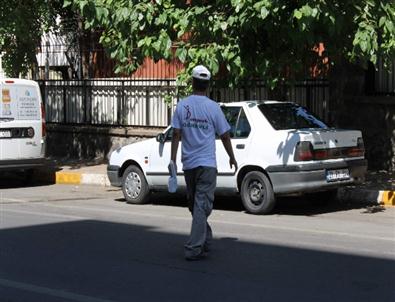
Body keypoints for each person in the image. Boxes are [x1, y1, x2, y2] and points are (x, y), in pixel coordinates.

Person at [170, 65, 238, 261]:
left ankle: (194, 246)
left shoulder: (183, 105)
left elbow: (176, 134)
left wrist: (173, 159)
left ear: (192, 82)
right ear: (207, 85)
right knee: (196, 206)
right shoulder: (212, 107)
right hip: (202, 165)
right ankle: (203, 240)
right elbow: (225, 136)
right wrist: (232, 157)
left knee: (198, 205)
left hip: (194, 164)